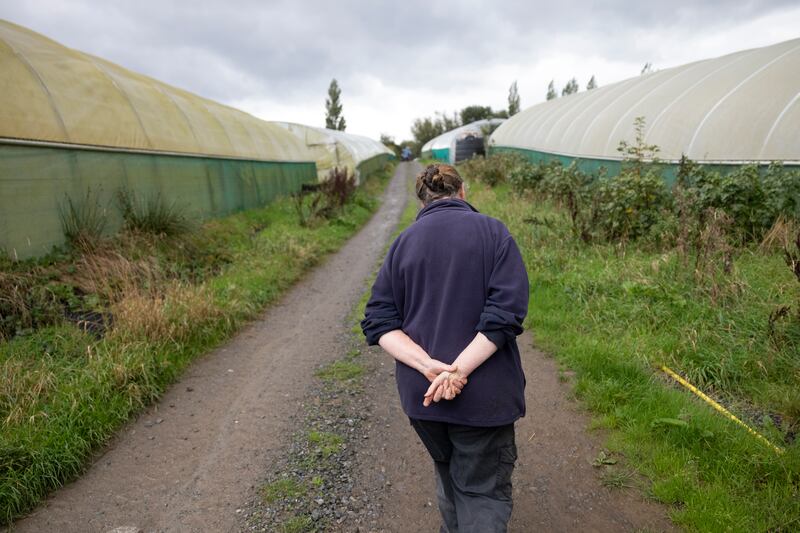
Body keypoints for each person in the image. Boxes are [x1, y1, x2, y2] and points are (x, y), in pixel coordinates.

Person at [361, 163, 529, 533]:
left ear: (421, 201)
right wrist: (458, 371)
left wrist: (428, 368)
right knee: (482, 491)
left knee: (449, 473)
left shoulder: (404, 242)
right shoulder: (494, 233)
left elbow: (378, 320)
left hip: (424, 399)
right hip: (484, 398)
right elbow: (505, 314)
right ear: (463, 192)